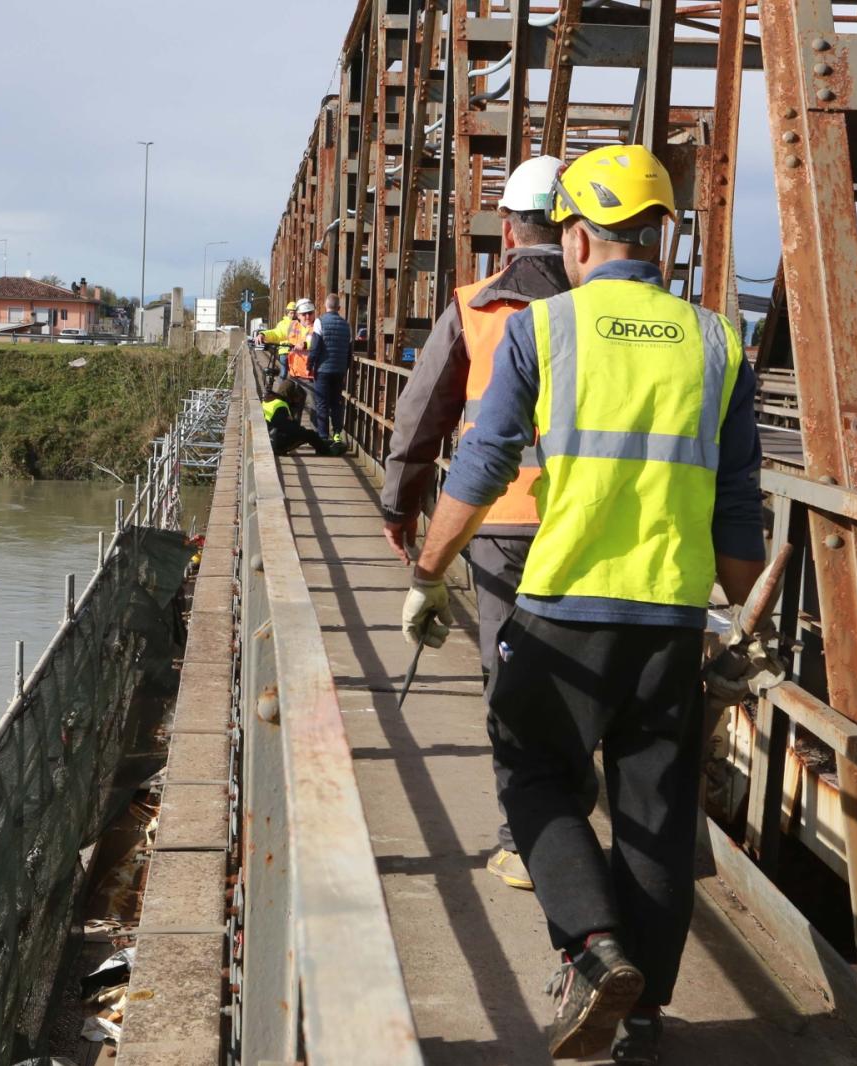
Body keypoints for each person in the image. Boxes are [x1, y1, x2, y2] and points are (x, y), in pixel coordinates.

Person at [397, 144, 766, 1063]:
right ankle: (641, 1021)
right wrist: (743, 621)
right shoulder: (721, 343)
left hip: (562, 608)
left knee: (531, 771)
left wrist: (429, 573)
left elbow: (482, 465)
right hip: (672, 621)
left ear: (577, 238)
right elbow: (736, 511)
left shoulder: (543, 331)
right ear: (659, 238)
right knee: (658, 811)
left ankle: (594, 951)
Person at [379, 154, 573, 893]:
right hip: (594, 522)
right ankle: (578, 831)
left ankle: (521, 839)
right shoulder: (596, 306)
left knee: (511, 675)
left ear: (506, 226)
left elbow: (420, 415)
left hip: (498, 523)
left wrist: (402, 508)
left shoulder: (477, 305)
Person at [306, 293, 351, 448]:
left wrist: (309, 364)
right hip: (339, 370)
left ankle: (324, 437)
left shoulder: (320, 322)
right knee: (336, 403)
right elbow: (349, 352)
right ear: (339, 308)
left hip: (323, 370)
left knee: (322, 403)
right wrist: (345, 369)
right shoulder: (346, 325)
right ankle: (337, 434)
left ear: (326, 306)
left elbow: (315, 347)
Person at [263, 377, 329, 456]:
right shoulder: (280, 405)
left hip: (267, 439)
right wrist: (301, 430)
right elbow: (288, 427)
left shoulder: (269, 401)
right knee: (310, 434)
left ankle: (322, 446)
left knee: (304, 432)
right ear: (290, 394)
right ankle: (326, 451)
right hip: (274, 443)